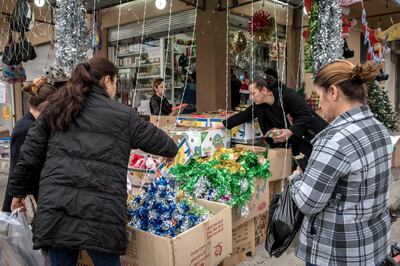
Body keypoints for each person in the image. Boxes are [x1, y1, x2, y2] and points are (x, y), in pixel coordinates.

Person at [8, 57, 178, 265]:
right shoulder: (123, 115)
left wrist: (18, 192)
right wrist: (171, 151)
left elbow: (29, 155)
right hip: (101, 214)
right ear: (107, 81)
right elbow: (164, 144)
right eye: (115, 82)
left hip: (57, 209)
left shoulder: (55, 108)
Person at [289, 60, 392, 266]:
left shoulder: (335, 139)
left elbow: (308, 202)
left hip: (338, 253)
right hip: (373, 245)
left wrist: (296, 179)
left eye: (319, 96)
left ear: (333, 92)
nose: (319, 105)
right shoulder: (379, 128)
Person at [221, 73, 328, 165]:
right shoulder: (260, 105)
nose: (251, 98)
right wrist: (222, 125)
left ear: (264, 90)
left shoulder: (288, 95)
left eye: (253, 93)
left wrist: (290, 132)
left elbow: (306, 115)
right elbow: (244, 115)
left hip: (313, 138)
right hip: (296, 143)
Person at [2, 72, 66, 212]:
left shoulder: (33, 124)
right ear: (47, 105)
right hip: (22, 199)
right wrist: (19, 196)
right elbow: (21, 167)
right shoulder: (26, 128)